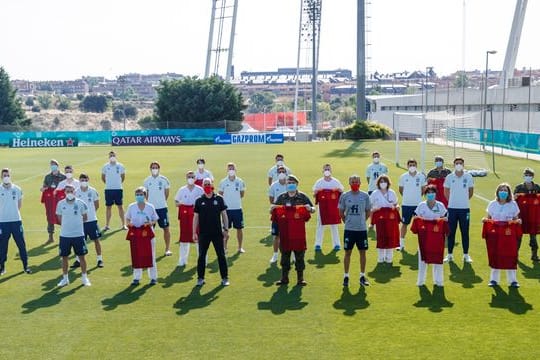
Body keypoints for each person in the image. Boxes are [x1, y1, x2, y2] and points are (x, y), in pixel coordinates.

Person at [272, 174, 315, 286]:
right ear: (286, 184)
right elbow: (274, 211)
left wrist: (310, 209)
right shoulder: (281, 198)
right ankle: (284, 278)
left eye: (293, 183)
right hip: (285, 233)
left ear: (297, 184)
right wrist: (272, 208)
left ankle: (300, 279)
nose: (291, 184)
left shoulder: (302, 197)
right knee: (285, 256)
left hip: (298, 233)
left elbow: (312, 209)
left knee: (299, 256)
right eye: (289, 183)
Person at [482, 183, 521, 287]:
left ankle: (513, 280)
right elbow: (489, 218)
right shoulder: (492, 204)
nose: (503, 192)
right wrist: (485, 220)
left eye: (505, 190)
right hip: (495, 235)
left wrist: (518, 221)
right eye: (501, 190)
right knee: (495, 254)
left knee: (510, 255)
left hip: (508, 235)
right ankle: (494, 280)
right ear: (497, 192)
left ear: (508, 193)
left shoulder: (513, 204)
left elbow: (516, 218)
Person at [193, 177, 229, 286]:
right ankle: (200, 278)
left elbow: (224, 215)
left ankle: (224, 278)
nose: (207, 186)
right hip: (204, 234)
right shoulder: (199, 200)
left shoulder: (219, 199)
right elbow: (196, 217)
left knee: (221, 255)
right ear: (203, 186)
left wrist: (226, 229)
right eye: (205, 184)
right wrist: (194, 232)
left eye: (208, 184)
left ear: (212, 184)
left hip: (217, 233)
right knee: (201, 256)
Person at [411, 185, 448, 287]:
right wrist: (418, 219)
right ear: (425, 194)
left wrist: (444, 220)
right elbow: (415, 216)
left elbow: (445, 217)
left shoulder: (440, 205)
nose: (430, 194)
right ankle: (421, 281)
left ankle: (439, 281)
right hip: (424, 238)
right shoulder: (421, 205)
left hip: (437, 238)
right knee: (422, 260)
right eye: (428, 193)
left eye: (432, 192)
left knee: (437, 259)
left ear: (435, 194)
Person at [338, 175, 371, 287]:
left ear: (360, 182)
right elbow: (341, 211)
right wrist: (347, 221)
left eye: (356, 181)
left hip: (361, 230)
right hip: (349, 229)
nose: (355, 183)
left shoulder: (365, 195)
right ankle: (346, 276)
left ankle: (362, 275)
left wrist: (363, 221)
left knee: (363, 252)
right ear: (349, 183)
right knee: (348, 252)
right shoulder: (345, 196)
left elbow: (368, 211)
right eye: (353, 181)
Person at [56, 184, 91, 287]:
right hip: (65, 235)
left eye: (71, 191)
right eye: (67, 191)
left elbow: (85, 217)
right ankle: (65, 279)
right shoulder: (60, 204)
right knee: (64, 257)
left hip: (78, 235)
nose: (69, 193)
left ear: (74, 192)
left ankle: (84, 278)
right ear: (64, 192)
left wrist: (76, 225)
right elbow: (59, 218)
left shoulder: (81, 203)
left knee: (82, 257)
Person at [125, 187, 159, 286]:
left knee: (151, 255)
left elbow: (155, 219)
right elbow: (127, 218)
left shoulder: (150, 206)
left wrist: (150, 223)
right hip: (136, 233)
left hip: (147, 233)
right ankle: (136, 278)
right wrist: (128, 224)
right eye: (137, 194)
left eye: (141, 194)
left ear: (145, 195)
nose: (139, 196)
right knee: (136, 255)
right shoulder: (131, 206)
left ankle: (153, 277)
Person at [0, 168, 31, 275]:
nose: (6, 177)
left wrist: (13, 213)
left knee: (21, 244)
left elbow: (19, 205)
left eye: (7, 175)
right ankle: (2, 267)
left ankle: (26, 266)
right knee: (2, 245)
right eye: (4, 175)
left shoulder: (17, 189)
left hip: (16, 221)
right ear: (1, 177)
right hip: (3, 222)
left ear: (10, 176)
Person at [443, 157, 474, 263]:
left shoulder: (468, 176)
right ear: (454, 165)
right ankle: (450, 255)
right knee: (451, 232)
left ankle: (466, 255)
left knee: (465, 232)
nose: (459, 165)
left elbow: (470, 192)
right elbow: (446, 191)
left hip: (465, 209)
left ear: (463, 164)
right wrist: (452, 201)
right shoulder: (449, 177)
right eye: (457, 163)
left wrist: (463, 201)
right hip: (452, 209)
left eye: (460, 163)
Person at [73, 173, 103, 269]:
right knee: (80, 241)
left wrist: (90, 214)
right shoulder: (76, 192)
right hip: (80, 222)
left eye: (85, 180)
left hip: (92, 220)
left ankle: (99, 259)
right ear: (79, 181)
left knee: (96, 240)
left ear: (88, 180)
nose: (83, 182)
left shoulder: (93, 191)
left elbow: (97, 205)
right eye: (82, 180)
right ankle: (78, 260)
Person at [175, 171, 204, 266]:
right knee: (184, 239)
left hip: (197, 217)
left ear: (195, 178)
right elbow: (176, 202)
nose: (190, 178)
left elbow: (204, 202)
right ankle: (182, 260)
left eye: (192, 176)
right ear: (186, 178)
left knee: (198, 238)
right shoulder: (182, 190)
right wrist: (182, 204)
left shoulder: (200, 190)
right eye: (189, 177)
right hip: (185, 217)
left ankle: (203, 259)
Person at [313, 164, 344, 251]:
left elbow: (342, 191)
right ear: (323, 171)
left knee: (334, 225)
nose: (327, 170)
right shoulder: (319, 182)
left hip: (333, 207)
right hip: (322, 208)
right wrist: (318, 191)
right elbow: (314, 193)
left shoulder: (336, 182)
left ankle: (337, 244)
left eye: (328, 169)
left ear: (331, 171)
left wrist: (337, 190)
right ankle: (318, 244)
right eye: (325, 169)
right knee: (320, 225)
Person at [369, 175, 400, 263]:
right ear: (378, 183)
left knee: (390, 237)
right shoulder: (375, 193)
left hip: (390, 219)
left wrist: (397, 207)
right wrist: (374, 210)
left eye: (384, 181)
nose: (383, 183)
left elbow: (396, 204)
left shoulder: (392, 192)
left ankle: (389, 258)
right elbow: (370, 205)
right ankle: (380, 258)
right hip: (379, 218)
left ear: (388, 183)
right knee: (380, 237)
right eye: (381, 182)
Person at [398, 158, 427, 251]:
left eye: (413, 165)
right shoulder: (403, 176)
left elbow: (423, 189)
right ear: (407, 166)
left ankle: (420, 246)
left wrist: (417, 198)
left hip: (418, 205)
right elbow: (401, 190)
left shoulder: (421, 176)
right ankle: (401, 244)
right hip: (406, 204)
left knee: (420, 225)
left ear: (416, 166)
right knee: (404, 224)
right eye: (410, 165)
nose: (412, 167)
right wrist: (408, 197)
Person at [143, 161, 171, 256]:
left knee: (166, 228)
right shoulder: (146, 180)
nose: (154, 169)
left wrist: (161, 201)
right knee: (149, 230)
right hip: (150, 209)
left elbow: (166, 193)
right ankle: (149, 250)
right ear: (150, 169)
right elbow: (146, 194)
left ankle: (167, 249)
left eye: (156, 167)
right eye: (153, 167)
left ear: (159, 168)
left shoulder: (164, 179)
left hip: (162, 208)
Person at [218, 162, 246, 253]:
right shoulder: (223, 182)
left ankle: (240, 247)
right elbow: (220, 195)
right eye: (229, 169)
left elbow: (242, 194)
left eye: (232, 168)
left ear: (235, 170)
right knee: (226, 229)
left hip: (237, 208)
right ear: (227, 170)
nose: (231, 170)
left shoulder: (240, 181)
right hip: (226, 210)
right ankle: (224, 247)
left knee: (239, 229)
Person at [513, 168, 540, 261]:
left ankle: (534, 255)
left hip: (533, 216)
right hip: (521, 215)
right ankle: (515, 255)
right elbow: (513, 200)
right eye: (526, 175)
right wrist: (515, 197)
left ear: (532, 176)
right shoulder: (519, 187)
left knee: (533, 236)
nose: (527, 177)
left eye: (529, 175)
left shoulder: (537, 187)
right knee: (519, 235)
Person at [40, 159, 66, 244]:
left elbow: (67, 187)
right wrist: (43, 189)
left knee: (62, 217)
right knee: (50, 216)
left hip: (60, 200)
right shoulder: (48, 177)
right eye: (51, 165)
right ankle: (50, 237)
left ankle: (65, 235)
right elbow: (44, 186)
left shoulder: (63, 176)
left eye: (54, 164)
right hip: (51, 201)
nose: (53, 166)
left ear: (57, 166)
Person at [268, 165, 288, 263]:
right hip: (277, 213)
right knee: (276, 236)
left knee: (289, 235)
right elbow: (271, 199)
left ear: (286, 173)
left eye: (283, 171)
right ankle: (275, 255)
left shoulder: (290, 184)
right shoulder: (273, 185)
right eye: (279, 172)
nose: (281, 173)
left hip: (289, 213)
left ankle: (292, 255)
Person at [101, 150, 126, 231]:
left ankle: (123, 224)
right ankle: (107, 225)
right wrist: (108, 184)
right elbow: (103, 177)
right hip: (108, 189)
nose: (112, 157)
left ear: (116, 156)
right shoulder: (105, 166)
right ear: (109, 157)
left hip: (118, 189)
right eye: (111, 155)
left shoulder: (121, 166)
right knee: (108, 207)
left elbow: (123, 177)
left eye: (113, 155)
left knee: (120, 207)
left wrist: (117, 183)